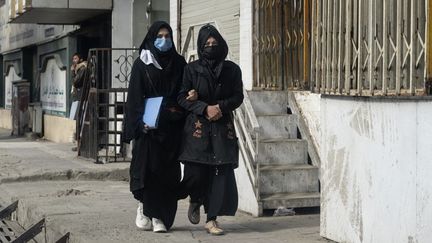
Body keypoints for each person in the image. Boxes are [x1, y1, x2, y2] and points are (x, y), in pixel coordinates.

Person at [177, 24, 244, 235]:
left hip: (222, 125)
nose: (211, 46)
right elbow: (181, 98)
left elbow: (237, 96)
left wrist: (220, 107)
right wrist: (203, 107)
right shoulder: (191, 69)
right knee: (196, 172)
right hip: (198, 127)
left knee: (219, 172)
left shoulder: (232, 69)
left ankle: (212, 219)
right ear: (200, 46)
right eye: (206, 44)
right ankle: (195, 199)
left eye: (214, 43)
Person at [123, 21, 187, 233]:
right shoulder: (142, 63)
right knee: (149, 172)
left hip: (171, 127)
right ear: (152, 38)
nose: (164, 39)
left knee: (168, 174)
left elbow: (183, 92)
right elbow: (134, 97)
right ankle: (147, 209)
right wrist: (139, 123)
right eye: (160, 36)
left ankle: (162, 216)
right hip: (149, 128)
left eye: (168, 36)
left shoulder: (179, 63)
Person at [70, 53, 87, 151]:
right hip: (79, 98)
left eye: (76, 58)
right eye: (73, 59)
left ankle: (81, 144)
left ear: (80, 59)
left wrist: (72, 72)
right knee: (78, 120)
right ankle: (79, 144)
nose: (74, 61)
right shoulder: (79, 69)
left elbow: (76, 82)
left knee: (81, 120)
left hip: (82, 98)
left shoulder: (82, 69)